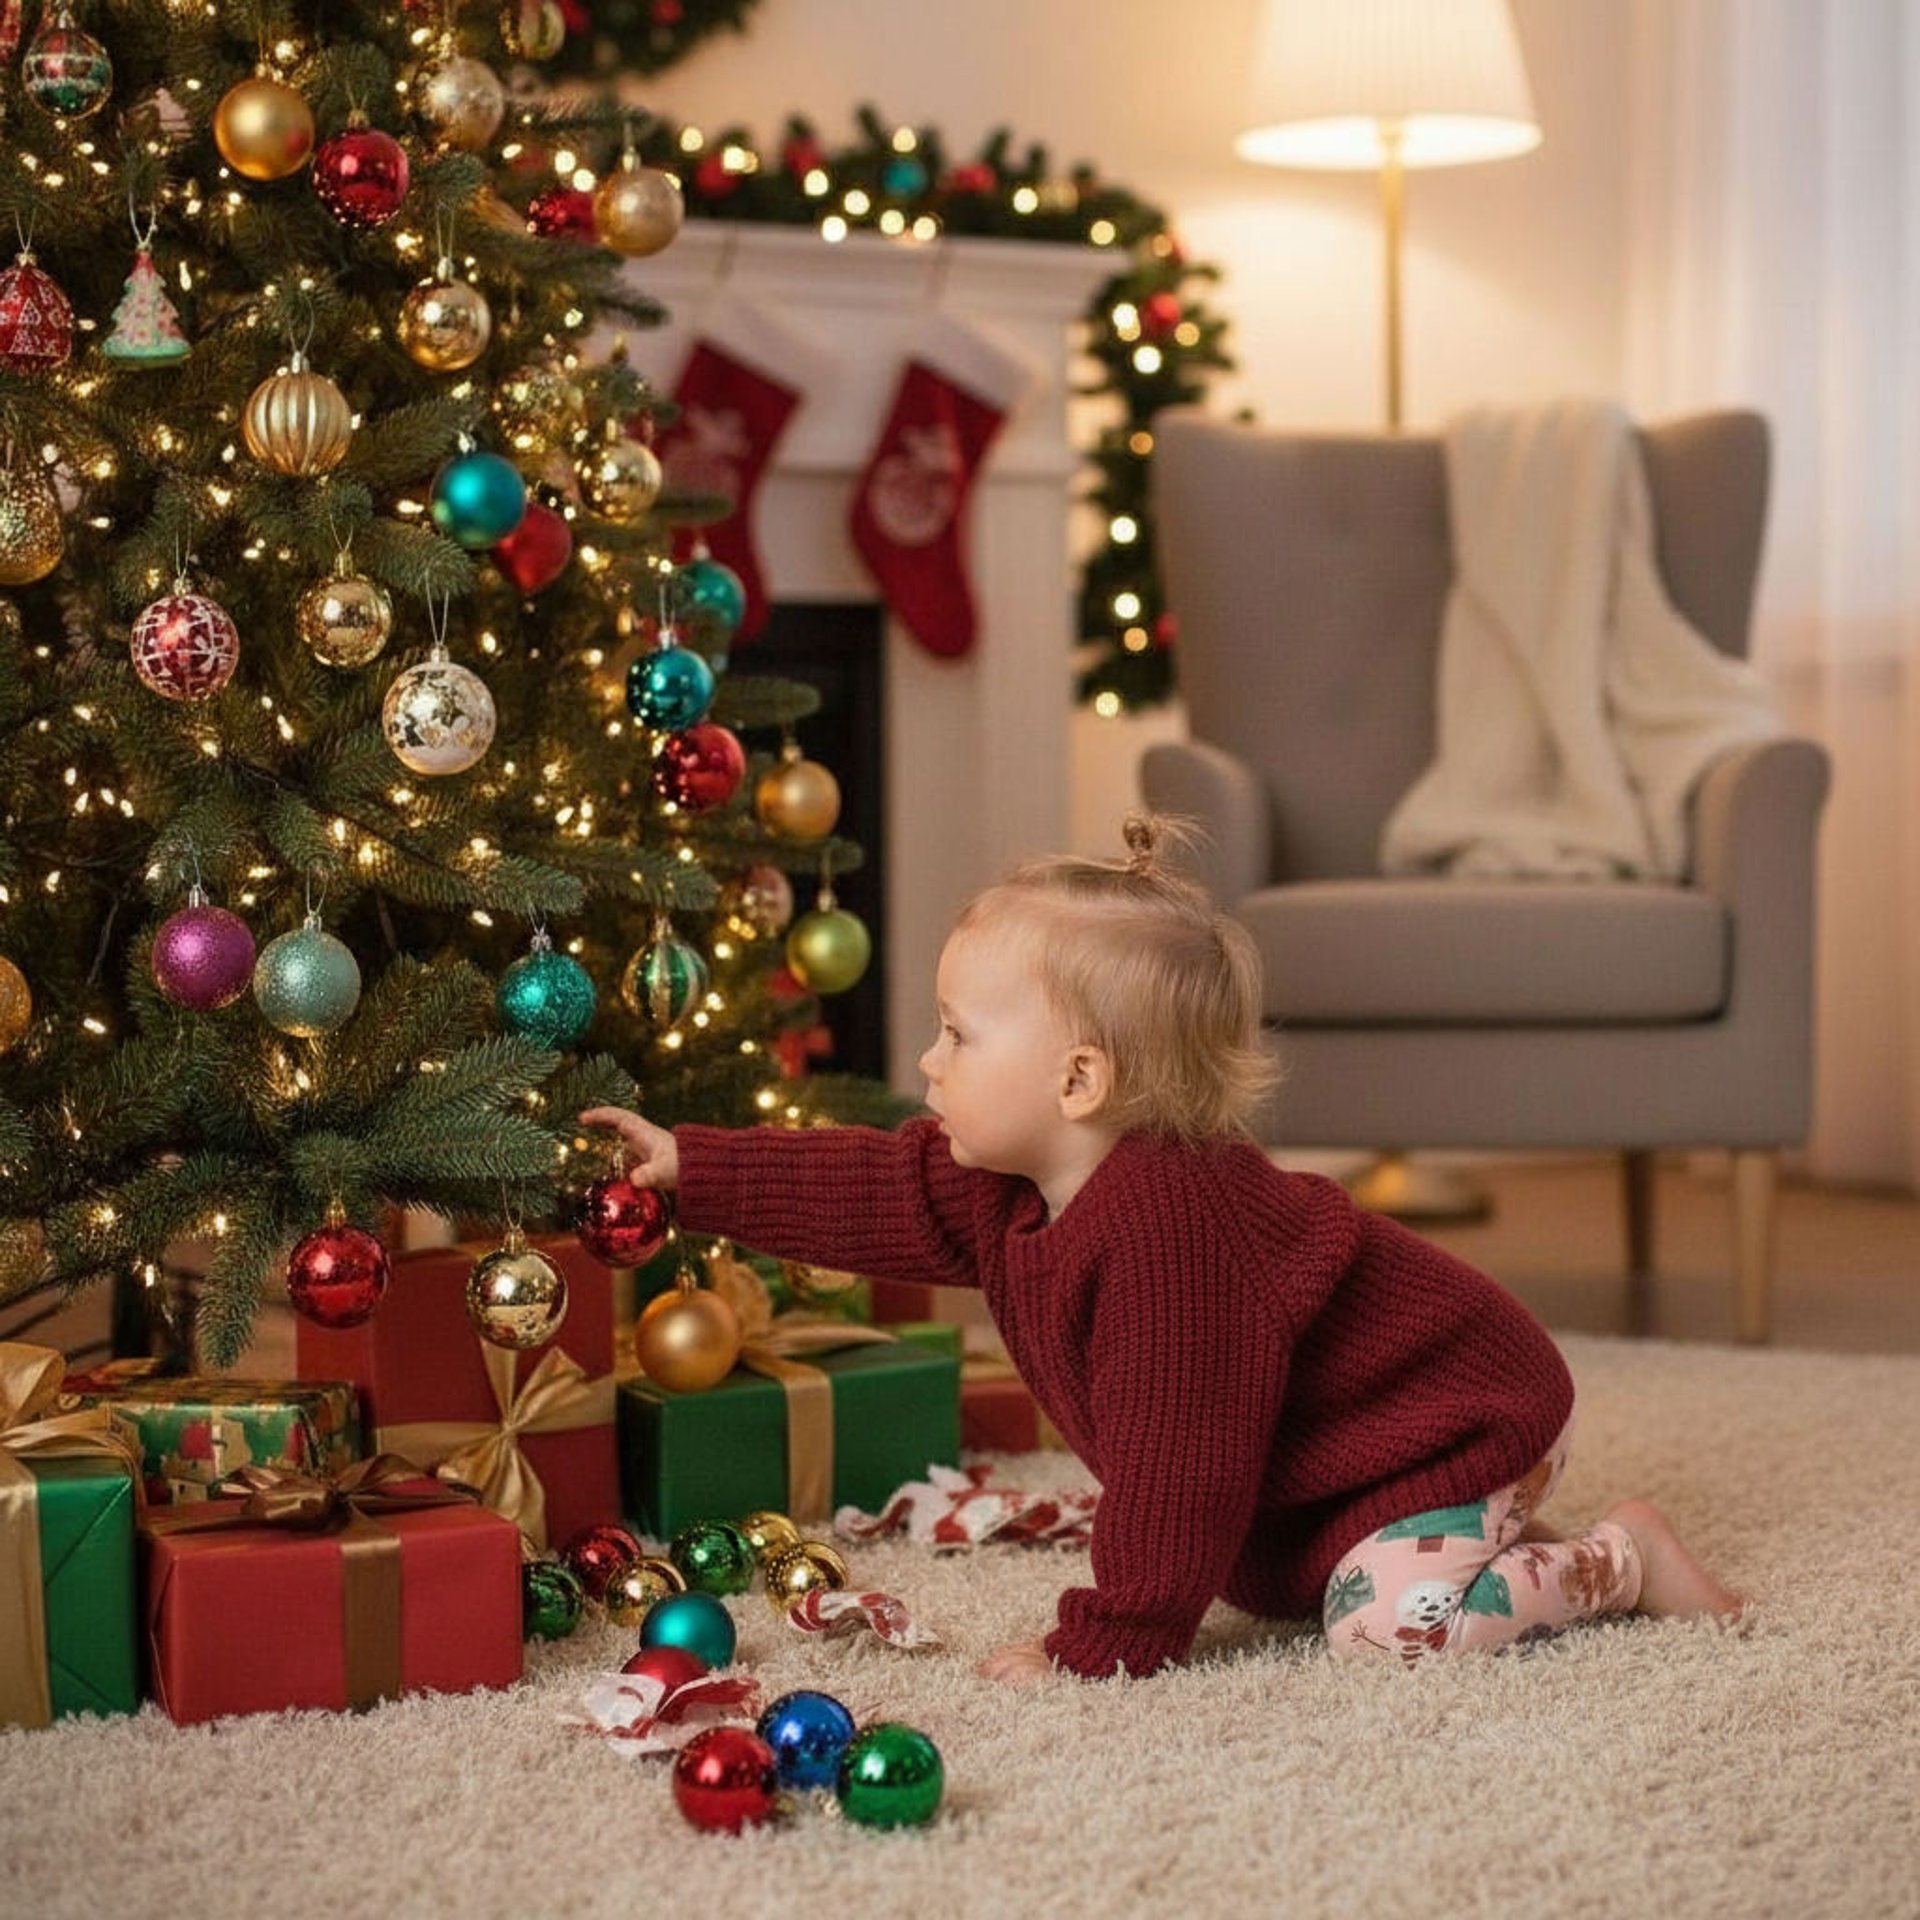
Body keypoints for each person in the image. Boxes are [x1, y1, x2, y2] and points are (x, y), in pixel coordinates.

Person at [582, 814, 1743, 1685]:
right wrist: (697, 1168)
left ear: (1078, 1080)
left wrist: (1109, 1645)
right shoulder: (1004, 1180)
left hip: (1460, 1417)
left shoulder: (1168, 1240)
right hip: (1363, 1446)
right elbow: (872, 1187)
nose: (927, 1063)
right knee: (1345, 1583)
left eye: (957, 1035)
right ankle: (1471, 1548)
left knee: (1389, 1633)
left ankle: (1617, 1559)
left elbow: (1182, 1467)